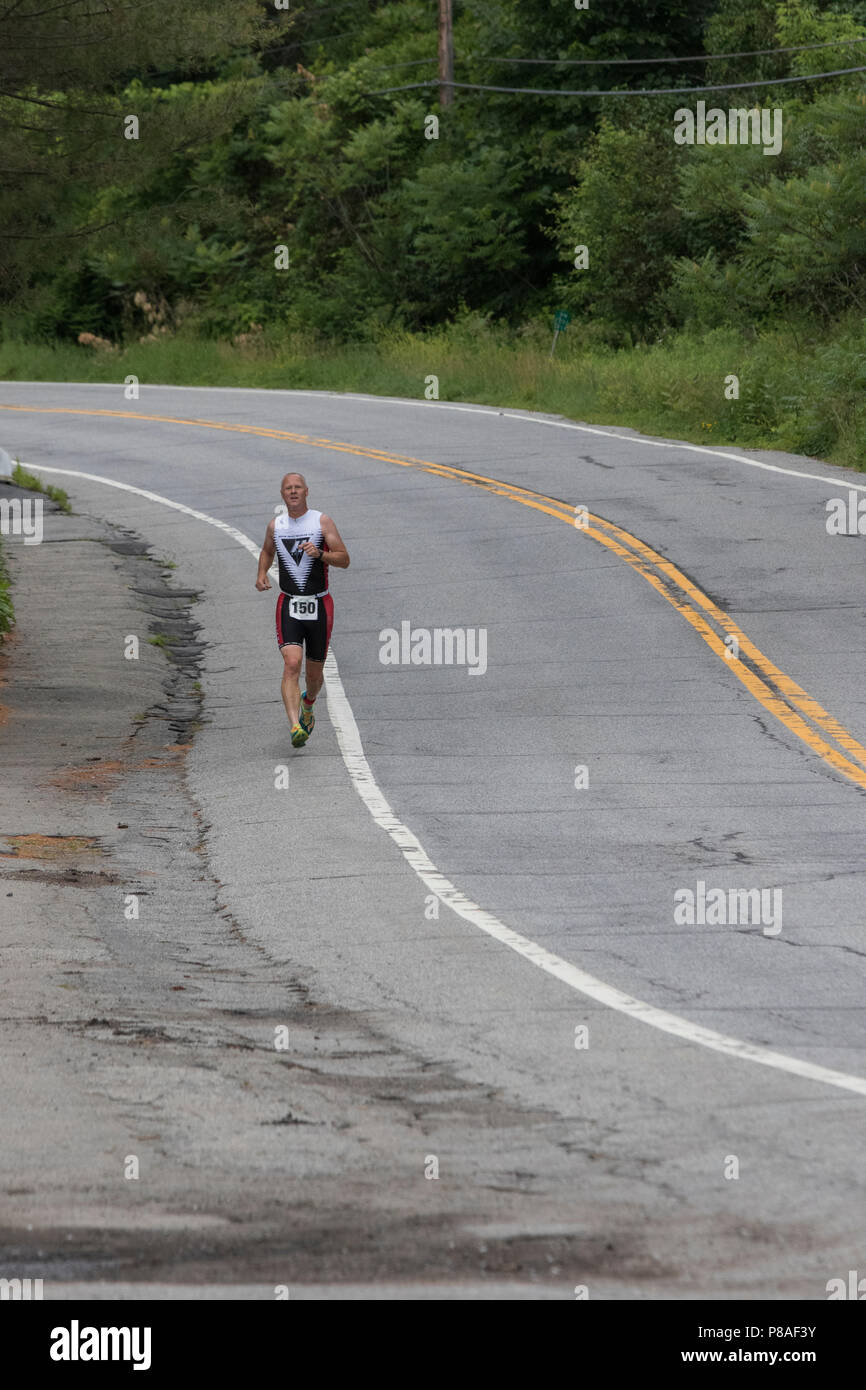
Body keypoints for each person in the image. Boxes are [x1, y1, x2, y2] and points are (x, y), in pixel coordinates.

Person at [255, 472, 350, 747]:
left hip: (320, 604)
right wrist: (261, 573)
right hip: (289, 603)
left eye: (298, 488)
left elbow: (344, 559)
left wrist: (320, 554)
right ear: (282, 494)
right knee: (292, 663)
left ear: (307, 491)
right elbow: (267, 550)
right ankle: (296, 725)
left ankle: (308, 702)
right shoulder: (276, 525)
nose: (293, 492)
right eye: (288, 489)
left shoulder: (321, 522)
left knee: (313, 675)